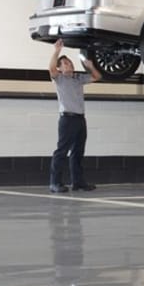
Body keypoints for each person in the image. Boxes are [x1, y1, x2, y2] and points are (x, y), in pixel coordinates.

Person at [47, 39, 102, 193]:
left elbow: (97, 77)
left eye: (69, 62)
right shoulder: (59, 78)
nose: (69, 65)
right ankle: (55, 182)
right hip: (67, 119)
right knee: (62, 151)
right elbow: (51, 69)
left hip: (80, 119)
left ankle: (78, 182)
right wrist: (56, 51)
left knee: (78, 152)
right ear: (60, 68)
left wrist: (91, 67)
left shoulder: (78, 78)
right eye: (65, 63)